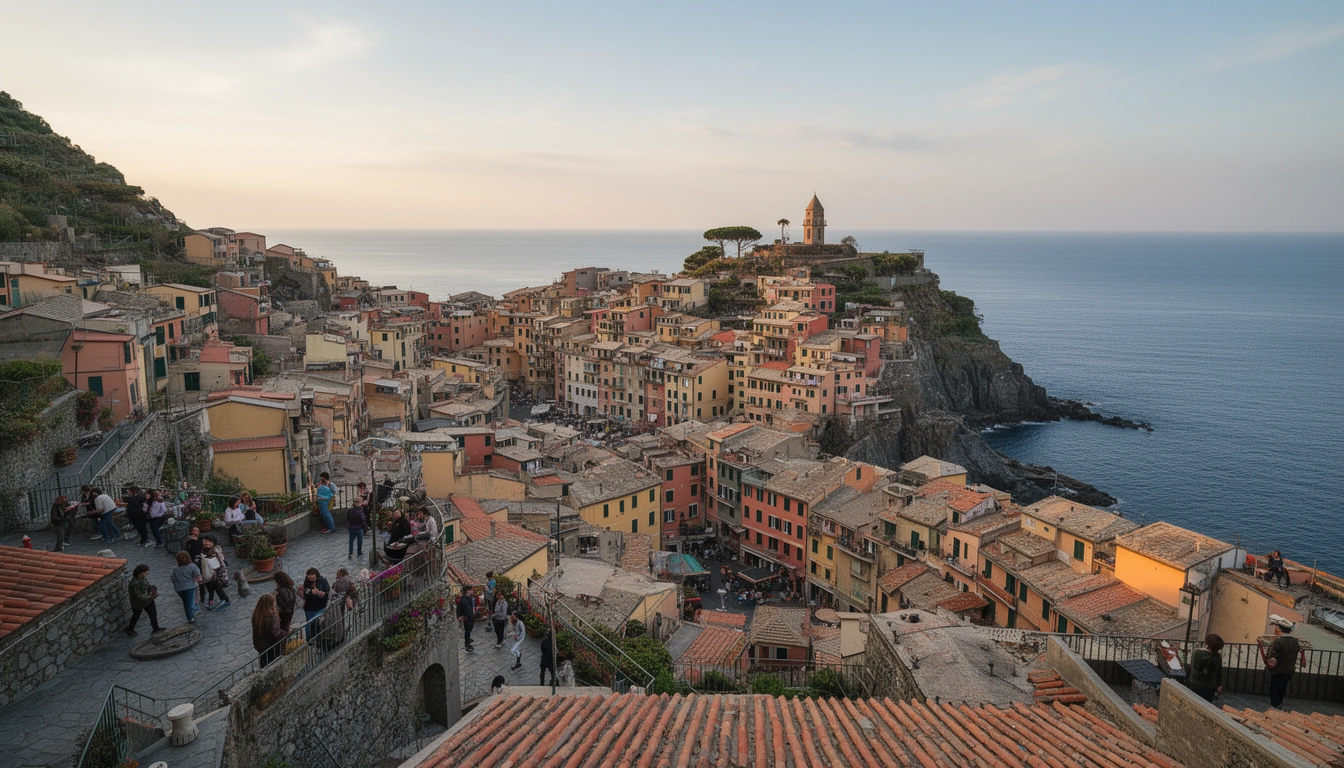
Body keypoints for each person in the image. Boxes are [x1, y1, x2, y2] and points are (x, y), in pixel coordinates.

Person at [1264, 618, 1304, 709]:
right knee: (1283, 687)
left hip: (1277, 670)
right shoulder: (1295, 641)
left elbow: (1272, 655)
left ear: (1280, 629)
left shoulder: (1278, 641)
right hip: (1289, 670)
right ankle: (1279, 702)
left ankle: (1274, 704)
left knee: (1274, 687)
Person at [251, 593, 287, 668]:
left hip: (260, 646)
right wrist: (286, 635)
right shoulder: (271, 616)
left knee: (264, 663)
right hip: (271, 645)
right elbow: (276, 632)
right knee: (273, 665)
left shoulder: (257, 615)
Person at [125, 564, 162, 636]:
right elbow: (139, 596)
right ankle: (130, 630)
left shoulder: (141, 579)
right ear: (141, 572)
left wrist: (151, 589)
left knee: (152, 614)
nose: (147, 573)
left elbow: (145, 588)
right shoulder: (135, 583)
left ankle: (156, 628)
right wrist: (151, 596)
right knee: (136, 615)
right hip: (140, 603)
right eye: (145, 571)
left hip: (145, 602)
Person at [1187, 633, 1224, 702]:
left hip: (1195, 686)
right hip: (1210, 688)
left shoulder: (1198, 653)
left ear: (1206, 642)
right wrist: (1219, 684)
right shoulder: (1217, 657)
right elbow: (1219, 673)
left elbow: (1194, 668)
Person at [171, 550, 203, 624]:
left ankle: (191, 613)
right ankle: (190, 617)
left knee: (185, 602)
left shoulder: (175, 569)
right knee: (189, 602)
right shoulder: (192, 566)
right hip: (189, 587)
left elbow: (173, 578)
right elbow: (197, 575)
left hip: (179, 588)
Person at [199, 536, 230, 610]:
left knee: (217, 586)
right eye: (204, 541)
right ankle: (212, 602)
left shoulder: (215, 550)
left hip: (215, 572)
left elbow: (219, 561)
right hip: (207, 571)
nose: (205, 542)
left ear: (212, 542)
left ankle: (225, 600)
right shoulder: (204, 549)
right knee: (210, 587)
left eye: (207, 541)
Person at [301, 567, 330, 640]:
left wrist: (320, 593)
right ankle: (309, 640)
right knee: (308, 624)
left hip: (319, 607)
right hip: (309, 607)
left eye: (312, 574)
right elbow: (305, 592)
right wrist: (311, 592)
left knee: (317, 624)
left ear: (316, 574)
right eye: (309, 575)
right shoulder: (307, 581)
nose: (311, 577)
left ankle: (318, 639)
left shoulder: (322, 581)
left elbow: (327, 592)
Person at [456, 588, 476, 653]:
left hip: (471, 616)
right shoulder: (463, 599)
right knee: (467, 630)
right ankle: (467, 644)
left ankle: (468, 640)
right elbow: (459, 608)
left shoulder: (469, 598)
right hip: (467, 617)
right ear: (467, 591)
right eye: (471, 590)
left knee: (470, 628)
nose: (472, 591)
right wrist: (459, 616)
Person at [348, 494, 368, 560]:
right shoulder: (360, 511)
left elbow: (348, 518)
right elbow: (363, 520)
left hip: (351, 527)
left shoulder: (350, 510)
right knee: (359, 541)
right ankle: (359, 552)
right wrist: (365, 528)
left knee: (351, 541)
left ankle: (350, 553)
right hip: (359, 528)